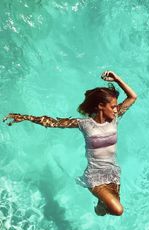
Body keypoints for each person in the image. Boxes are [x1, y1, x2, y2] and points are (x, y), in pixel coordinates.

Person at [3, 71, 137, 216]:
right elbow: (53, 123)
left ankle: (101, 204)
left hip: (112, 173)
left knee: (108, 211)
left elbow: (132, 97)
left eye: (117, 107)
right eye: (113, 106)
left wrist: (117, 79)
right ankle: (100, 206)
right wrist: (24, 117)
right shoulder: (85, 125)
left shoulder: (114, 119)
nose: (116, 109)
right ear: (100, 106)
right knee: (118, 210)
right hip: (95, 176)